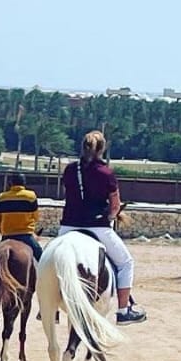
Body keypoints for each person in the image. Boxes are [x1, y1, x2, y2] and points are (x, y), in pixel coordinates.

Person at [59, 130, 147, 323]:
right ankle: (124, 311)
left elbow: (70, 195)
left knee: (49, 261)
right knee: (125, 263)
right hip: (98, 227)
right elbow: (115, 205)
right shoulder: (106, 173)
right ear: (102, 149)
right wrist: (111, 216)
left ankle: (50, 308)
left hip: (68, 226)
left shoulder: (70, 170)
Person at [0, 175, 43, 259]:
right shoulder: (31, 196)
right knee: (42, 258)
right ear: (24, 183)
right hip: (26, 235)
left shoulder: (2, 197)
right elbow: (36, 217)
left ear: (10, 183)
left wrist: (3, 231)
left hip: (7, 235)